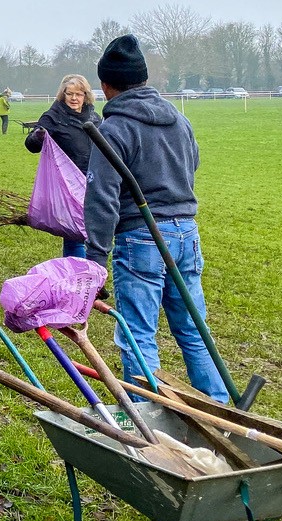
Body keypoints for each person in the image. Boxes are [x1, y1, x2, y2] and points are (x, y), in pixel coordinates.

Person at [84, 34, 229, 404]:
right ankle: (221, 408)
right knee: (194, 329)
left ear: (105, 85)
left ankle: (147, 415)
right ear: (144, 79)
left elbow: (101, 199)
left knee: (137, 333)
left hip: (141, 238)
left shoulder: (113, 129)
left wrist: (95, 261)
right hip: (186, 233)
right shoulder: (179, 120)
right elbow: (193, 164)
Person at [25, 74, 102, 259]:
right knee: (75, 235)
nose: (74, 98)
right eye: (70, 94)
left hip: (94, 182)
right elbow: (31, 145)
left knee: (95, 234)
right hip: (69, 186)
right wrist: (38, 136)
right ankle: (77, 271)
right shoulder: (53, 117)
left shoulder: (94, 117)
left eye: (79, 94)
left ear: (86, 95)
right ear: (63, 94)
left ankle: (91, 270)